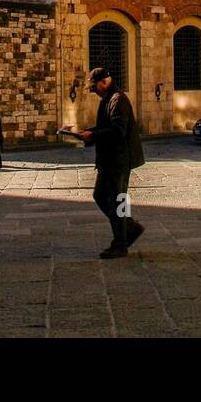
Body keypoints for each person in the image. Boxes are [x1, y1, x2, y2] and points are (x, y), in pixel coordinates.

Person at [68, 66, 145, 259]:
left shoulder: (117, 100)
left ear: (104, 82)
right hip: (110, 159)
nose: (94, 92)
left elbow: (118, 130)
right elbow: (106, 127)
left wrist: (92, 134)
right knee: (104, 196)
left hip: (118, 160)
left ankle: (121, 243)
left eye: (95, 88)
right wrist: (87, 133)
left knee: (116, 199)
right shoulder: (108, 99)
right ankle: (128, 228)